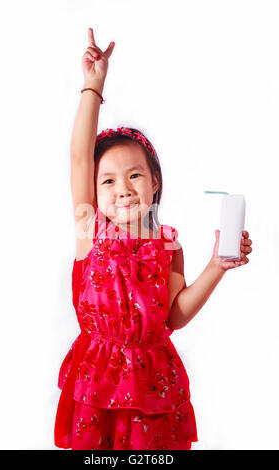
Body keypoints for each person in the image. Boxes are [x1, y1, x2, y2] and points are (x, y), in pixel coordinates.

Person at [54, 27, 253, 451]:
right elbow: (77, 156)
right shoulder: (90, 228)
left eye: (134, 175)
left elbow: (175, 316)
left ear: (155, 180)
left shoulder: (168, 245)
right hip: (99, 385)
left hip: (154, 389)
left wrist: (217, 264)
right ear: (94, 191)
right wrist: (94, 85)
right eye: (106, 180)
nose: (122, 188)